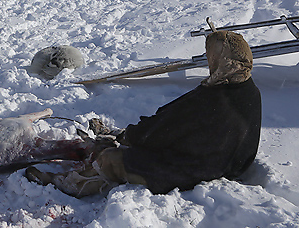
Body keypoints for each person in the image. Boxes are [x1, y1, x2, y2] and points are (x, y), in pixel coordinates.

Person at [25, 30, 262, 196]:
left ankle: (69, 184)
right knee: (130, 140)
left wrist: (128, 139)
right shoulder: (249, 91)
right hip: (223, 164)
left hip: (195, 170)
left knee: (111, 158)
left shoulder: (212, 98)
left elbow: (164, 128)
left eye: (212, 56)